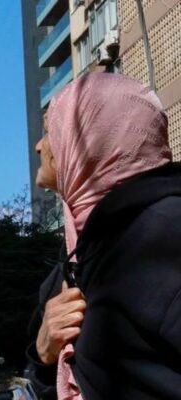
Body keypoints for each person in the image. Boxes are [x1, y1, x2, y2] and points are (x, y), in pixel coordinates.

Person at [26, 72, 181, 399]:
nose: (39, 147)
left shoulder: (164, 234)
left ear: (93, 142)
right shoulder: (73, 265)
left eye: (50, 131)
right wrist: (44, 354)